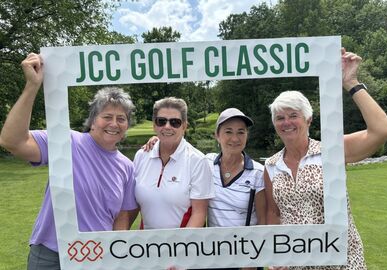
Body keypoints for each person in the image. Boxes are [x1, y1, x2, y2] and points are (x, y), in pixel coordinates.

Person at [0, 53, 138, 269]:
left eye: (121, 119)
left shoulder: (127, 167)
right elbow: (12, 141)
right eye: (107, 116)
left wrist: (115, 252)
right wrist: (32, 86)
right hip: (51, 254)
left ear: (126, 127)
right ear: (93, 121)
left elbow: (122, 215)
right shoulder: (65, 140)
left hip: (96, 257)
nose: (114, 123)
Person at [264, 48, 387, 270]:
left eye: (293, 115)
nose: (286, 122)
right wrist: (276, 252)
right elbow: (274, 212)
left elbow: (383, 130)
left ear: (308, 119)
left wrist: (351, 82)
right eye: (280, 118)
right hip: (296, 264)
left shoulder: (332, 150)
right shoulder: (271, 164)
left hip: (342, 260)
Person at [143, 107, 266, 270]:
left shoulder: (258, 172)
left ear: (246, 135)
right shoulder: (206, 162)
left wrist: (252, 259)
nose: (234, 138)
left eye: (241, 132)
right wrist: (158, 141)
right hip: (211, 255)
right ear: (217, 135)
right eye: (228, 132)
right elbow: (181, 147)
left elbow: (264, 221)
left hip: (244, 257)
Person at [133, 97, 214, 230]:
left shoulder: (198, 160)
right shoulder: (141, 156)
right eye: (161, 121)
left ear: (184, 126)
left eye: (175, 122)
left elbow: (199, 214)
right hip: (147, 246)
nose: (167, 126)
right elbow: (133, 205)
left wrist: (179, 248)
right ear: (154, 125)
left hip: (183, 246)